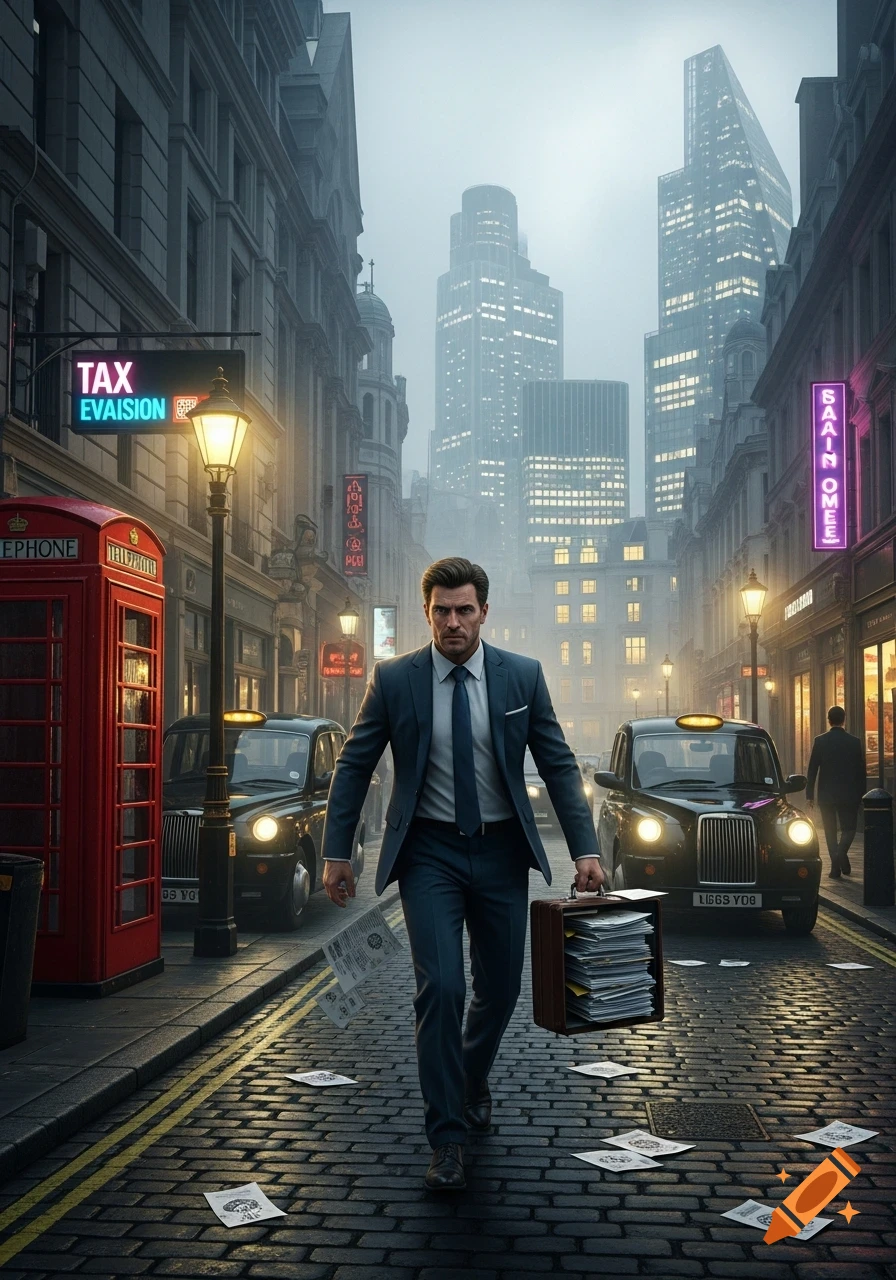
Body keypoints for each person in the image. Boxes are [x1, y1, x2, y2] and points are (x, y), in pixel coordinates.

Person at [321, 557, 603, 1191]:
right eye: (442, 611)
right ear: (427, 614)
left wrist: (584, 849)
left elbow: (558, 764)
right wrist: (337, 852)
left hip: (501, 854)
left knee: (500, 990)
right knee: (442, 988)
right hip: (429, 854)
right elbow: (355, 763)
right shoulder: (395, 679)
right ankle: (446, 1137)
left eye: (464, 610)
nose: (453, 622)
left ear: (484, 612)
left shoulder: (521, 676)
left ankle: (471, 1076)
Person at [805, 705, 866, 878]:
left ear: (829, 720)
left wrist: (809, 795)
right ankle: (841, 854)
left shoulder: (820, 741)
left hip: (826, 794)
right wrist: (862, 795)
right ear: (844, 719)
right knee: (849, 829)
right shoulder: (854, 742)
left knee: (830, 830)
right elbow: (861, 772)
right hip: (849, 794)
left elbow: (812, 770)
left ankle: (835, 864)